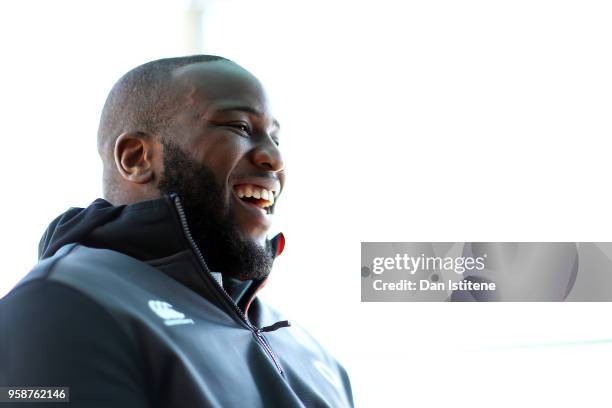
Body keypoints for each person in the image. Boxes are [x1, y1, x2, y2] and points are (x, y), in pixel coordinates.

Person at [0, 55, 354, 407]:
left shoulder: (312, 353)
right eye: (240, 127)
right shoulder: (63, 306)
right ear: (136, 158)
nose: (273, 159)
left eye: (275, 138)